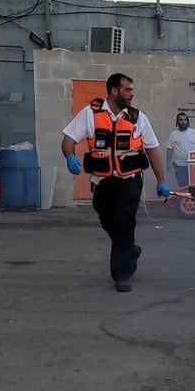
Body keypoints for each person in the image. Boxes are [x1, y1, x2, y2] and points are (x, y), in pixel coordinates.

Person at [61, 72, 170, 292]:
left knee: (123, 221)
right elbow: (68, 140)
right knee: (105, 215)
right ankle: (129, 250)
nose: (132, 94)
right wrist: (70, 155)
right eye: (128, 90)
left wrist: (161, 180)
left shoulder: (138, 118)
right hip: (102, 181)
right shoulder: (90, 114)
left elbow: (152, 149)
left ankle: (121, 274)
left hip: (129, 180)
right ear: (114, 91)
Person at [166, 113, 195, 187]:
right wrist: (168, 163)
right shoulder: (173, 134)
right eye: (180, 120)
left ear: (187, 121)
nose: (183, 122)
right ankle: (184, 198)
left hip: (192, 165)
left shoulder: (194, 132)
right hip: (179, 166)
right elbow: (170, 149)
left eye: (185, 120)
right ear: (177, 122)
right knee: (183, 186)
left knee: (193, 186)